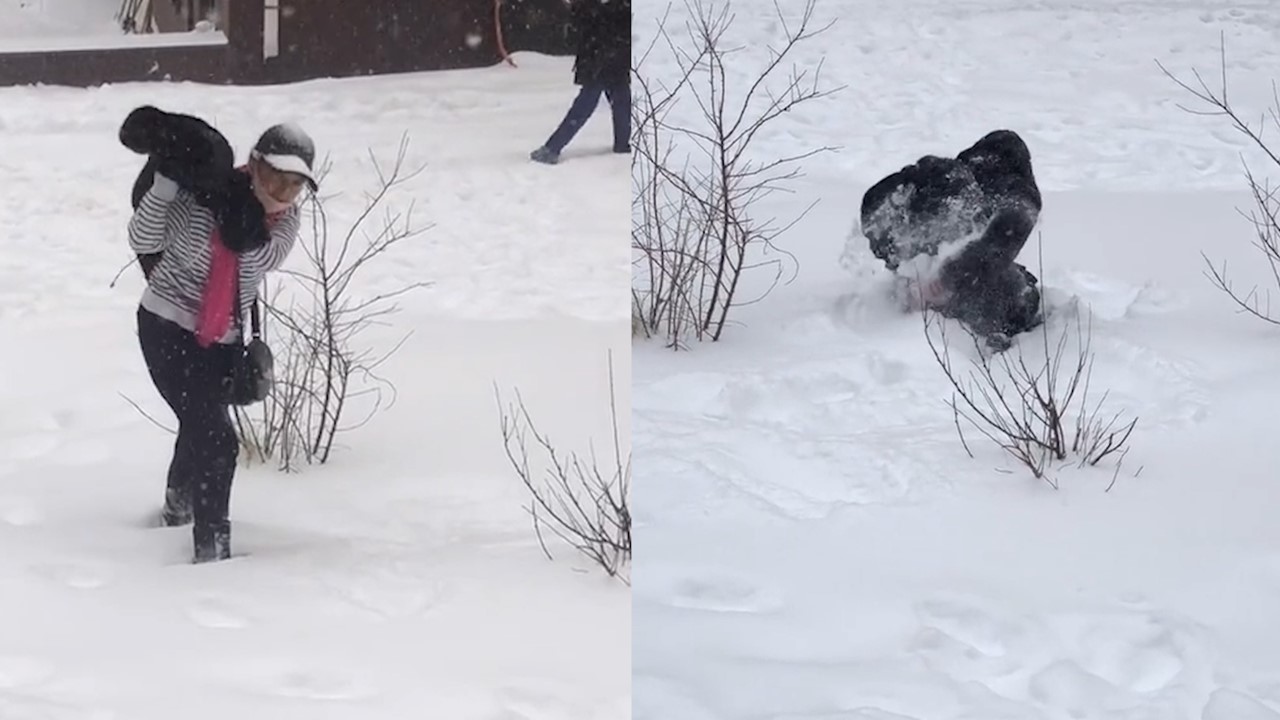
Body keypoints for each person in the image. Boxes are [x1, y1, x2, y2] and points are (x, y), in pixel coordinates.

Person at [119, 106, 317, 562]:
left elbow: (260, 261)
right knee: (218, 441)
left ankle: (176, 511)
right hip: (166, 326)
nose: (283, 193)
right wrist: (171, 182)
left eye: (295, 185)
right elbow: (143, 238)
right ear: (254, 165)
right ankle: (212, 555)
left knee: (199, 424)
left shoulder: (284, 222)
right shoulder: (202, 191)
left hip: (220, 342)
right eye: (276, 178)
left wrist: (241, 221)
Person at [859, 129, 1044, 350]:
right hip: (959, 268)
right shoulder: (1011, 197)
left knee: (1008, 290)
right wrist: (919, 275)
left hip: (963, 273)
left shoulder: (983, 185)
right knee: (1016, 297)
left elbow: (992, 249)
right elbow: (995, 247)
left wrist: (941, 279)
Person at [530, 0, 631, 164]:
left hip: (601, 55)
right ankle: (623, 144)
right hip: (611, 53)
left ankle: (553, 148)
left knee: (588, 103)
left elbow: (581, 25)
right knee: (620, 101)